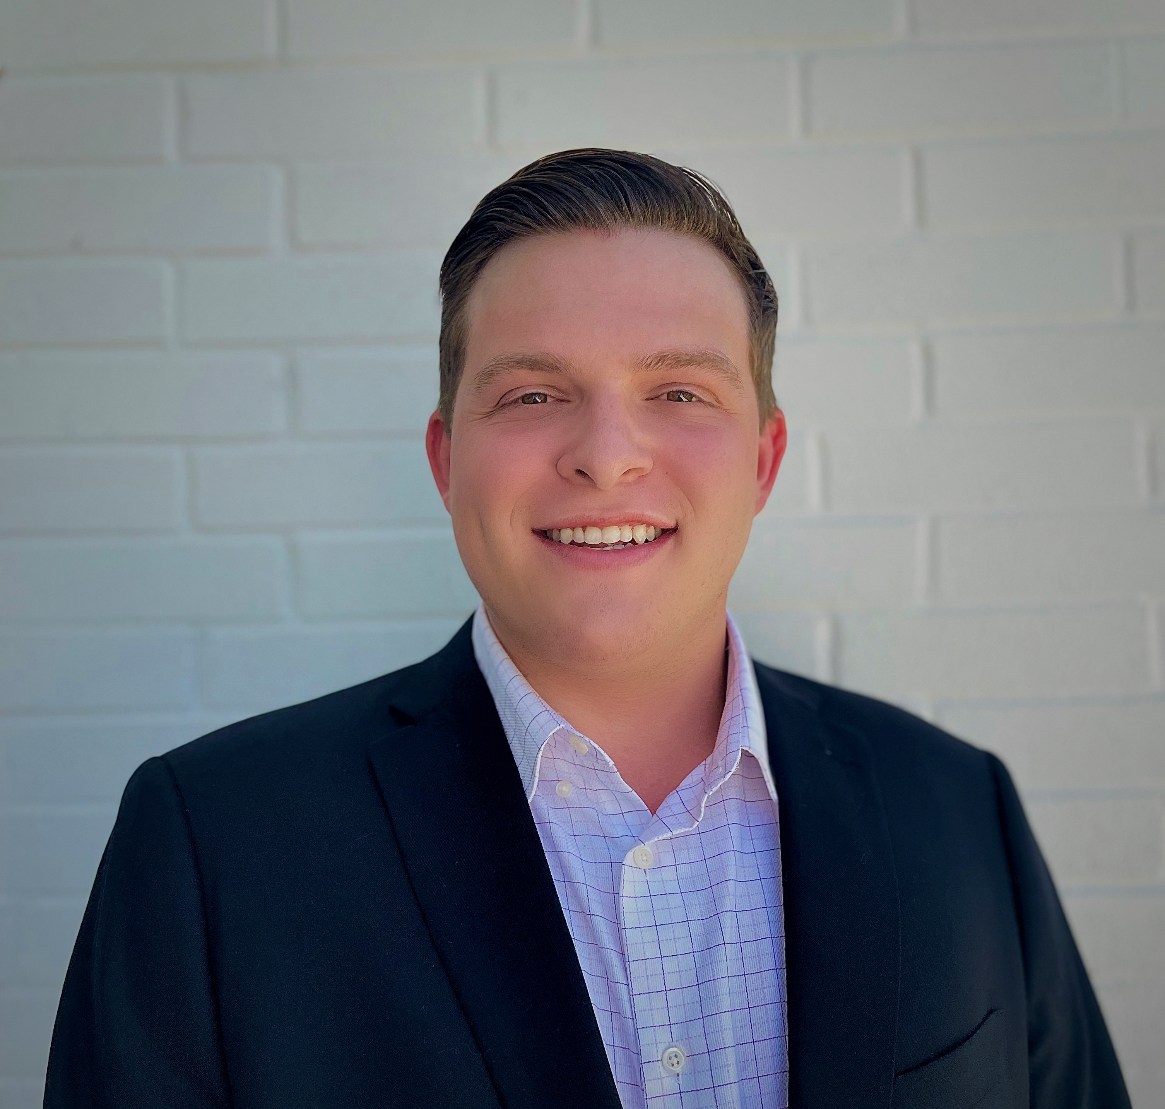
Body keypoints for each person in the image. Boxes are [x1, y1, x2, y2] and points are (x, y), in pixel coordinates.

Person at [45, 149, 1129, 1109]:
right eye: (530, 395)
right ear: (443, 459)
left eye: (678, 391)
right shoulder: (213, 841)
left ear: (761, 458)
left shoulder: (955, 804)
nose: (606, 455)